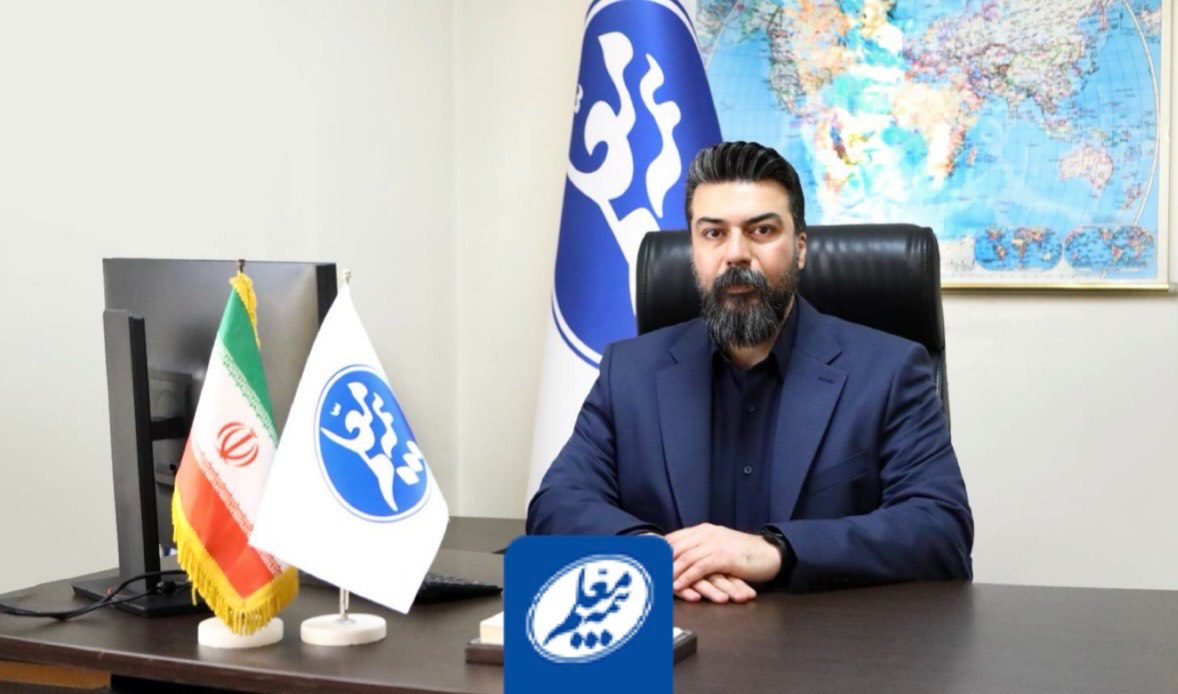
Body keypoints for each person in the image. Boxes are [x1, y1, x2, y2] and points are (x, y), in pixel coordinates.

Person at [527, 141, 973, 603]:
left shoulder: (888, 371)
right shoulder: (629, 373)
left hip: (823, 642)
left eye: (761, 230)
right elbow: (556, 504)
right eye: (713, 233)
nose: (735, 254)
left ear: (800, 248)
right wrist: (656, 554)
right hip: (674, 633)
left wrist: (777, 550)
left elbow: (942, 530)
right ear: (693, 248)